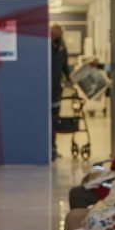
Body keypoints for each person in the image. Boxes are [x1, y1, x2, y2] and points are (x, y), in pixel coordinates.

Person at [51, 24, 72, 160]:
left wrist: (70, 79)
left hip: (56, 90)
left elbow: (65, 67)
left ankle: (53, 148)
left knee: (54, 120)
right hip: (44, 90)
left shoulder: (62, 48)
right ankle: (46, 148)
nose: (56, 39)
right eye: (54, 36)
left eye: (59, 37)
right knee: (46, 121)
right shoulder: (43, 48)